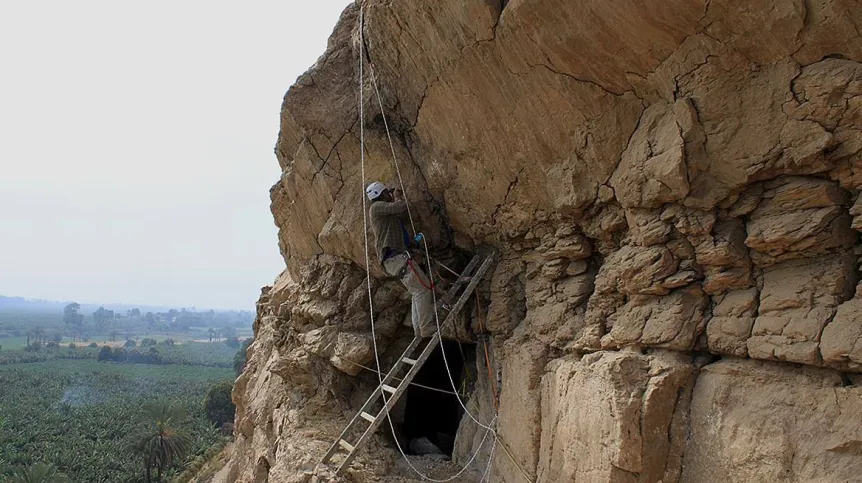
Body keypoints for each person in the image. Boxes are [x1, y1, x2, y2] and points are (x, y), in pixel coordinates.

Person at [366, 181, 435, 338]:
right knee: (422, 289)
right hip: (395, 258)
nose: (389, 195)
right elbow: (400, 207)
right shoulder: (376, 208)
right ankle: (426, 327)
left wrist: (413, 244)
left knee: (416, 291)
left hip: (395, 259)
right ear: (381, 194)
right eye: (387, 193)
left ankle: (418, 329)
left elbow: (397, 236)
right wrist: (398, 196)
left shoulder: (388, 218)